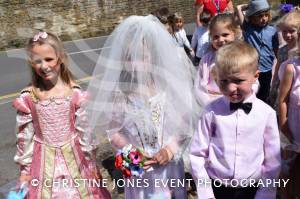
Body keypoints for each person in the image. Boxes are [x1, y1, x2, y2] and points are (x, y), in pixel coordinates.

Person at [85, 15, 201, 199]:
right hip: (139, 168)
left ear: (152, 57)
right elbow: (114, 131)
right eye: (130, 58)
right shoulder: (120, 96)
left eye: (142, 57)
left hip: (167, 166)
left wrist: (170, 149)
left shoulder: (166, 90)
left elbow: (183, 122)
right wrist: (131, 153)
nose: (137, 64)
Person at [12, 31, 111, 198]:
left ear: (61, 58)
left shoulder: (74, 94)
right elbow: (24, 138)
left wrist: (92, 164)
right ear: (31, 63)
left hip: (76, 161)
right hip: (43, 164)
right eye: (38, 61)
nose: (44, 66)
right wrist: (25, 170)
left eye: (49, 59)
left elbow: (85, 133)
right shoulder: (29, 97)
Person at [189, 41, 281, 199]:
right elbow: (197, 154)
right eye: (224, 81)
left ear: (255, 76)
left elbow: (272, 159)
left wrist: (265, 192)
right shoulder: (210, 112)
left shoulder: (266, 113)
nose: (231, 88)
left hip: (253, 189)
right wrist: (206, 192)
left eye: (238, 81)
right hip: (217, 188)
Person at [194, 13, 246, 105]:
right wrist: (209, 103)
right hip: (212, 103)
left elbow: (252, 82)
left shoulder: (242, 56)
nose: (221, 40)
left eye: (225, 34)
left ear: (235, 34)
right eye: (216, 37)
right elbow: (198, 85)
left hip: (237, 101)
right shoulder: (206, 60)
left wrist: (240, 98)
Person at [237, 0, 279, 102]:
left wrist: (279, 65)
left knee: (265, 92)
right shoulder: (248, 28)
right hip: (252, 68)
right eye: (259, 16)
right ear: (252, 18)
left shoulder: (272, 31)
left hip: (267, 69)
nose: (263, 19)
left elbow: (276, 49)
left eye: (266, 15)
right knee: (252, 91)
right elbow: (239, 9)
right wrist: (246, 7)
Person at [278, 28, 300, 199]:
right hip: (295, 126)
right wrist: (284, 124)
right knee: (290, 169)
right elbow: (283, 100)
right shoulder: (292, 67)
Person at [268, 10, 300, 107]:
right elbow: (277, 71)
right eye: (284, 31)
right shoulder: (281, 50)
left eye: (291, 31)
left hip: (295, 92)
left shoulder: (298, 52)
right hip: (280, 89)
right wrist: (273, 89)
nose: (287, 35)